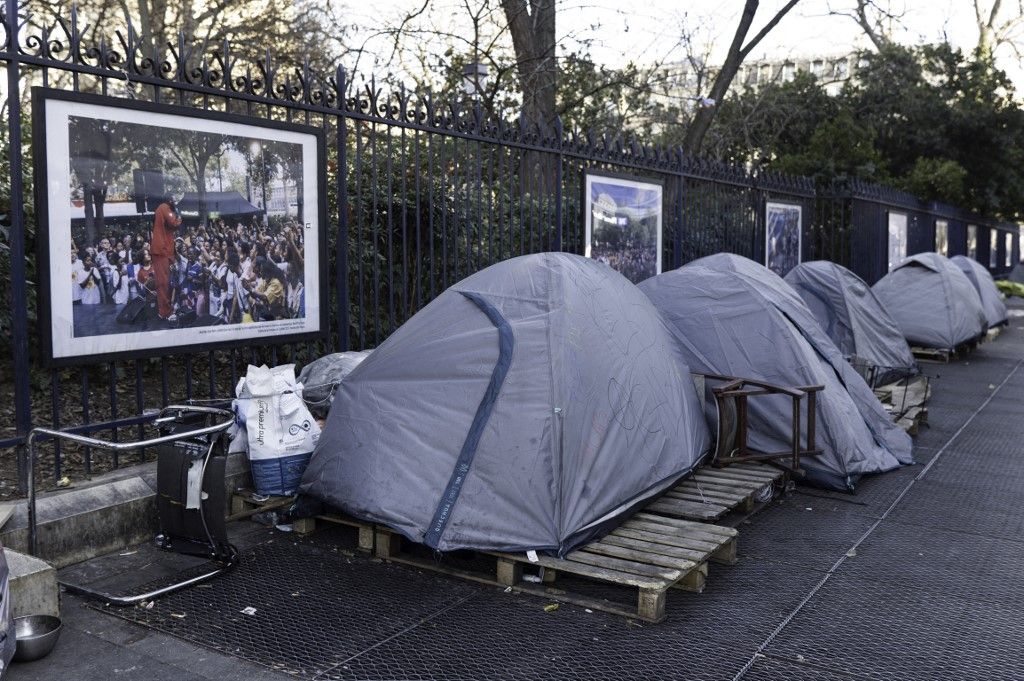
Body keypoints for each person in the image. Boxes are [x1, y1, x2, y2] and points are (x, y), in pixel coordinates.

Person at [150, 196, 182, 321]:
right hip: (161, 251)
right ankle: (165, 312)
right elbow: (174, 223)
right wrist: (179, 216)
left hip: (165, 250)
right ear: (169, 200)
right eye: (175, 200)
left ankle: (165, 310)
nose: (176, 202)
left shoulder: (164, 208)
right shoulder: (164, 207)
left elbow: (171, 226)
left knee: (167, 283)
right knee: (163, 284)